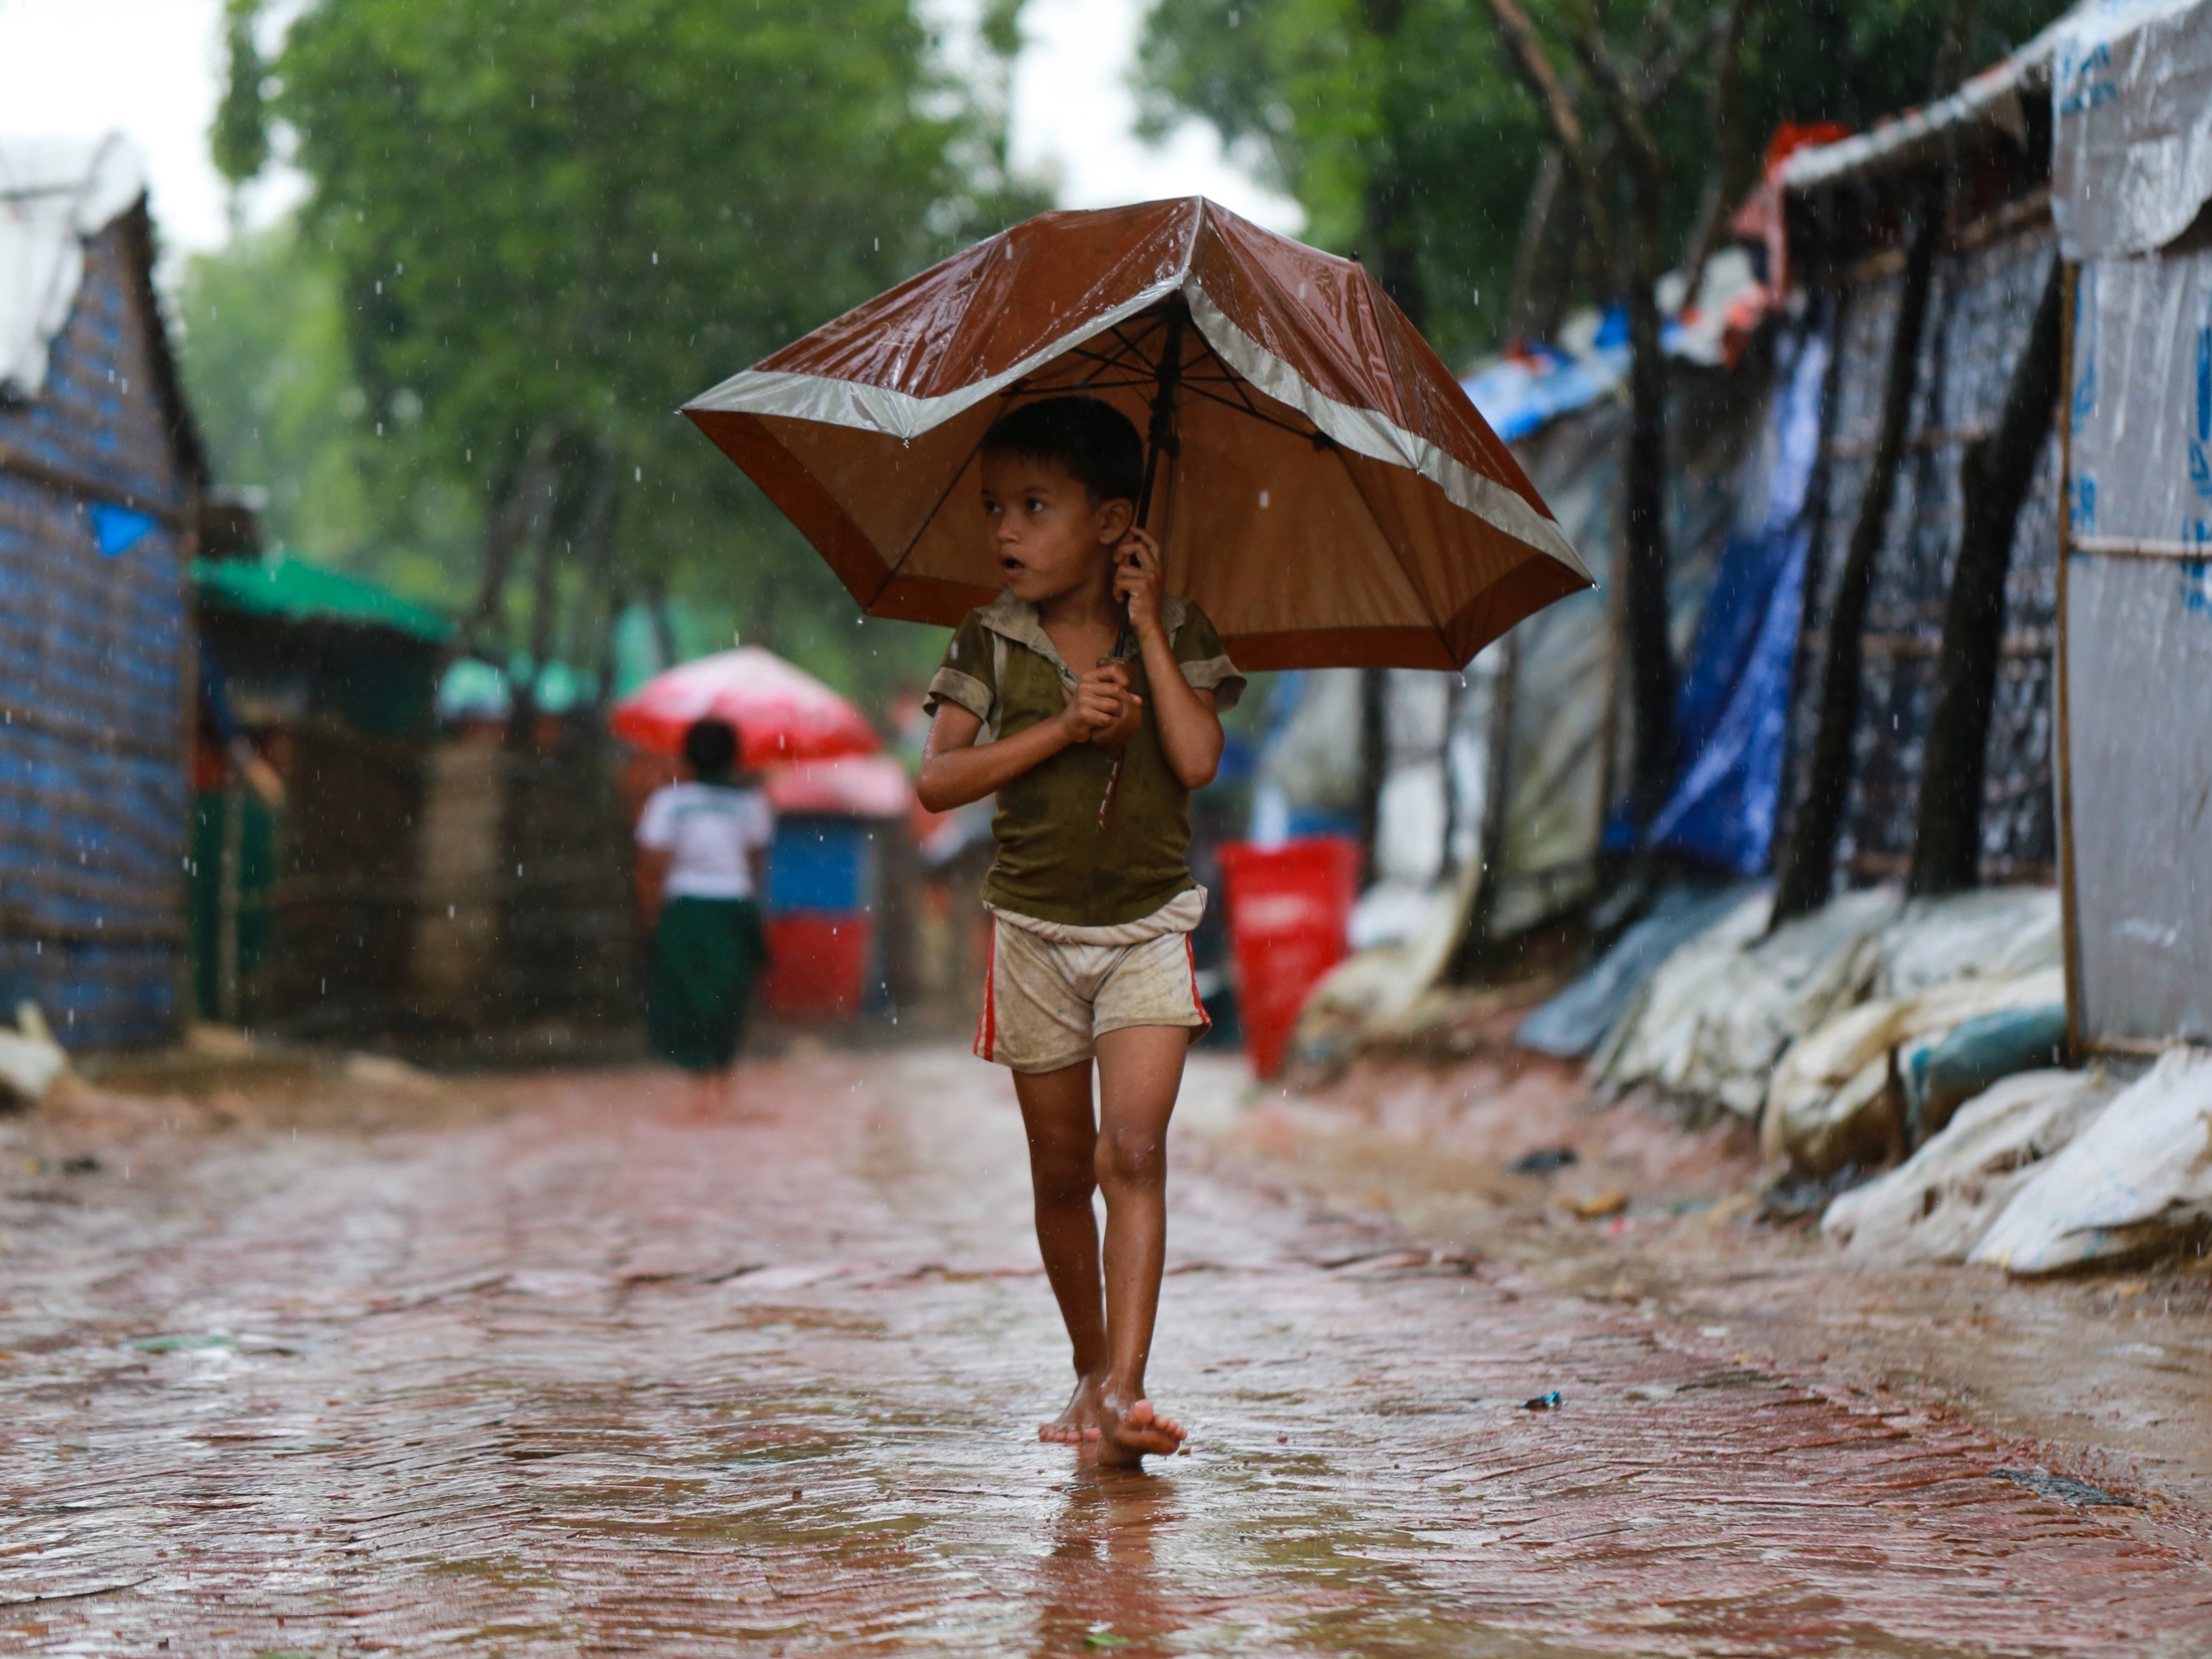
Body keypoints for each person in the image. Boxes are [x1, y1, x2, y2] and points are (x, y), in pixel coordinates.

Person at [916, 395, 1244, 1466]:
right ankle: (1087, 1360)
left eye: (1035, 506)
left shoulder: (1181, 628)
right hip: (1035, 935)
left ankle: (1127, 1390)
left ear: (1111, 523)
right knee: (1062, 1172)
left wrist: (1146, 632)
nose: (1004, 530)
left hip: (1148, 928)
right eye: (994, 508)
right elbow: (938, 781)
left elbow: (1197, 762)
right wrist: (1063, 727)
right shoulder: (990, 641)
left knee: (1132, 1151)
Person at [635, 717, 773, 1113]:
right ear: (736, 757)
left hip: (687, 908)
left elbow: (651, 862)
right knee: (729, 993)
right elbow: (756, 862)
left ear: (687, 756)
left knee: (688, 992)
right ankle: (721, 1077)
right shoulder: (751, 804)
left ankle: (700, 1082)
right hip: (733, 907)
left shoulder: (669, 803)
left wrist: (652, 915)